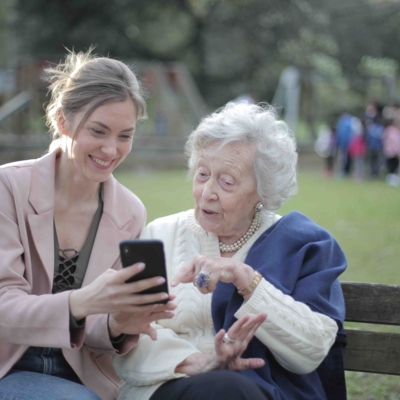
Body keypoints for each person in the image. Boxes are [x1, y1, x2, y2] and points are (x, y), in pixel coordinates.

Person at [114, 102, 347, 400]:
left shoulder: (303, 245)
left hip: (260, 393)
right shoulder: (159, 235)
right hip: (165, 388)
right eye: (202, 174)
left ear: (263, 191)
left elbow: (313, 350)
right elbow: (127, 332)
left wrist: (247, 280)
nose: (207, 192)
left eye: (226, 182)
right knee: (223, 388)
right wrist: (195, 362)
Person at [0, 49, 176, 400]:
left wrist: (117, 324)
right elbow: (3, 307)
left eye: (125, 135)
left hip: (84, 377)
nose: (111, 150)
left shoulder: (129, 211)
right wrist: (81, 301)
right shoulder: (8, 188)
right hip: (9, 367)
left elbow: (94, 327)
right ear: (63, 121)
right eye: (99, 131)